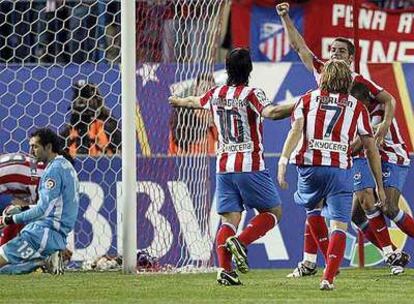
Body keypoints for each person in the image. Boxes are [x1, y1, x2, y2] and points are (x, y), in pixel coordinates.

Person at [276, 2, 413, 276]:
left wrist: (384, 124)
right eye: (333, 50)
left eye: (341, 51)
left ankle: (383, 255)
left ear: (350, 58)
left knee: (375, 202)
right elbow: (300, 47)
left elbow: (388, 99)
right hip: (345, 150)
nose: (335, 54)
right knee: (346, 210)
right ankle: (316, 261)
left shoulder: (358, 81)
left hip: (373, 146)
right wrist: (285, 17)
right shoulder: (321, 73)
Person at [169, 48, 294, 285]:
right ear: (249, 69)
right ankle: (242, 241)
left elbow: (193, 101)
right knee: (273, 212)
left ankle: (225, 271)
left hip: (224, 167)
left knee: (229, 221)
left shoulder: (215, 93)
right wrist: (301, 104)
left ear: (226, 69)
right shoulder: (251, 94)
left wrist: (177, 100)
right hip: (250, 166)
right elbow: (273, 113)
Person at [277, 60, 386, 290]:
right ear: (348, 79)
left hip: (310, 167)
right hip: (340, 169)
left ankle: (321, 261)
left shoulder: (306, 99)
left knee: (313, 209)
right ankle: (328, 277)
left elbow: (296, 130)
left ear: (324, 77)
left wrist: (283, 160)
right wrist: (379, 185)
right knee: (339, 225)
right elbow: (370, 147)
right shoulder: (357, 106)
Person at [350, 83, 411, 274]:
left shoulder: (377, 114)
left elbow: (356, 146)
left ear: (368, 101)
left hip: (393, 159)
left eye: (358, 103)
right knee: (357, 216)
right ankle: (394, 254)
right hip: (374, 159)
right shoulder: (358, 113)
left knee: (388, 207)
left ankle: (391, 256)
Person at [0, 128, 79, 275]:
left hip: (40, 235)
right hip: (53, 235)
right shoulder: (66, 166)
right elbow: (50, 207)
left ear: (48, 147)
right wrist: (22, 209)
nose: (31, 151)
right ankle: (43, 261)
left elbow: (41, 210)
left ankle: (41, 262)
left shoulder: (52, 172)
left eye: (35, 146)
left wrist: (10, 219)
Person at [60, 80, 121, 157]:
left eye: (87, 99)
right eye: (79, 99)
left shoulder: (109, 128)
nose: (83, 103)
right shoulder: (68, 134)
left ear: (97, 102)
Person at [0, 152, 45, 246]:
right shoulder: (42, 181)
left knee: (17, 212)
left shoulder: (39, 167)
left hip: (10, 182)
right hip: (8, 184)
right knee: (17, 214)